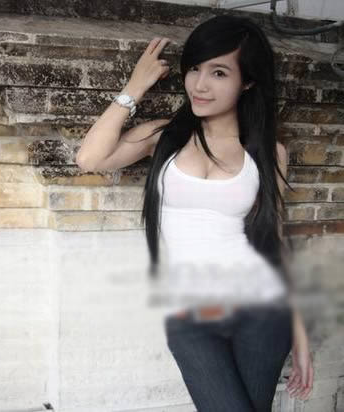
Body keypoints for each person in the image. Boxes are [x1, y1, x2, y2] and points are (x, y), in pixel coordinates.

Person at [76, 14, 313, 411]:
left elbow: (275, 245)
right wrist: (135, 86)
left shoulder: (268, 153)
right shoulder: (163, 136)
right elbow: (89, 158)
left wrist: (301, 340)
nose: (200, 85)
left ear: (247, 82)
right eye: (194, 69)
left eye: (219, 72)